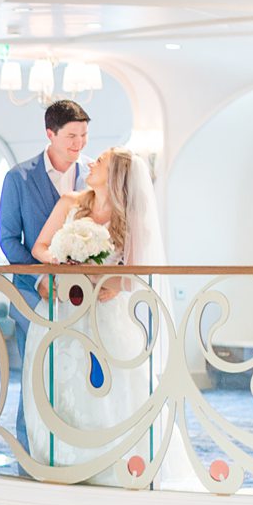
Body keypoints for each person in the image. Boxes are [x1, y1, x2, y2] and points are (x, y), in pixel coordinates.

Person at [25, 147, 181, 486]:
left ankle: (116, 460)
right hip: (64, 308)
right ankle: (63, 459)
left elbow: (137, 272)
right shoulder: (69, 203)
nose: (91, 162)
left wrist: (111, 282)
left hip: (107, 314)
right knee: (64, 383)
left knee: (112, 387)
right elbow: (40, 246)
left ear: (115, 176)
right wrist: (60, 259)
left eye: (101, 161)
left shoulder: (131, 219)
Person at [0, 100, 90, 462]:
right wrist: (36, 281)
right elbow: (8, 240)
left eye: (83, 135)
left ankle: (73, 455)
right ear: (50, 134)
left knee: (76, 381)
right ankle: (30, 455)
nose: (78, 143)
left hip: (80, 300)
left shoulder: (92, 177)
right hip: (31, 298)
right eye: (70, 136)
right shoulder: (18, 178)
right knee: (36, 379)